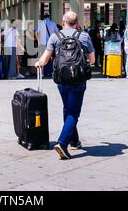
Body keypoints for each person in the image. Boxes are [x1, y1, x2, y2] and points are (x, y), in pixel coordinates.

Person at [35, 11, 95, 160]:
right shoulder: (84, 36)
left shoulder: (55, 36)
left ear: (63, 22)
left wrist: (39, 63)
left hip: (61, 79)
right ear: (76, 23)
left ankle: (74, 140)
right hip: (78, 79)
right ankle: (62, 143)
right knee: (74, 113)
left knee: (68, 109)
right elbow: (92, 59)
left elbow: (45, 59)